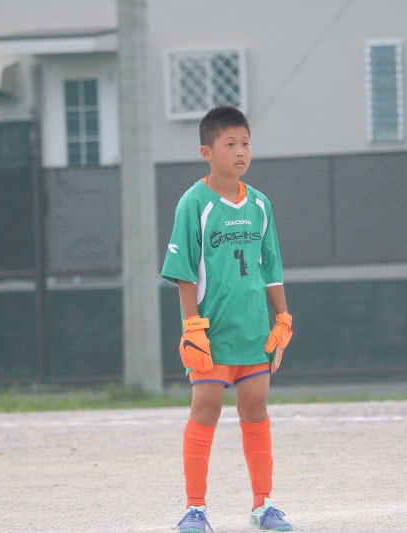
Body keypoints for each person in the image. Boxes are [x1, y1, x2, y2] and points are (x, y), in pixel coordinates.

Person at [161, 106, 294, 532]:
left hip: (254, 331)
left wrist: (282, 317)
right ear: (207, 151)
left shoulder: (260, 204)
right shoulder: (193, 203)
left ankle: (263, 505)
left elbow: (270, 267)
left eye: (246, 143)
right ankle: (194, 509)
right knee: (206, 409)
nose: (240, 152)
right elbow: (183, 271)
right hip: (212, 334)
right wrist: (192, 327)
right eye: (230, 144)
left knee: (255, 410)